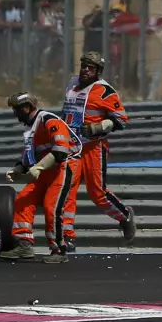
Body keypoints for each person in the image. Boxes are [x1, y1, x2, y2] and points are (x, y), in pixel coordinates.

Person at [59, 51, 136, 250]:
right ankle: (67, 236)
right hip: (72, 147)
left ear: (98, 71)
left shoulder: (105, 91)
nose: (85, 70)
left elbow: (121, 120)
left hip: (94, 148)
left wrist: (98, 128)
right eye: (83, 65)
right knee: (67, 191)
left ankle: (124, 216)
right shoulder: (71, 83)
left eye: (90, 68)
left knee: (98, 193)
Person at [1, 92, 81, 263]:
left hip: (62, 167)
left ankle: (59, 250)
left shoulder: (48, 120)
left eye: (16, 109)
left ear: (26, 107)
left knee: (51, 207)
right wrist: (17, 170)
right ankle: (24, 245)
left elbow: (61, 150)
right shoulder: (30, 129)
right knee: (23, 200)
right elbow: (28, 158)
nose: (14, 114)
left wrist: (38, 167)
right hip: (45, 170)